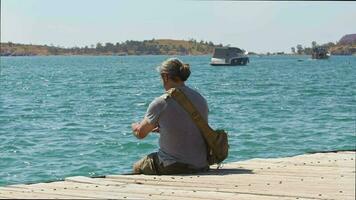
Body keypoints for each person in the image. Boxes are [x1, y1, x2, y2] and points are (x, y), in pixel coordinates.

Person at [131, 58, 209, 175]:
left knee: (138, 166)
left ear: (165, 76)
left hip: (174, 165)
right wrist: (164, 128)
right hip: (201, 164)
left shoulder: (161, 102)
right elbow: (190, 127)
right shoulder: (200, 98)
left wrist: (135, 127)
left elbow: (141, 134)